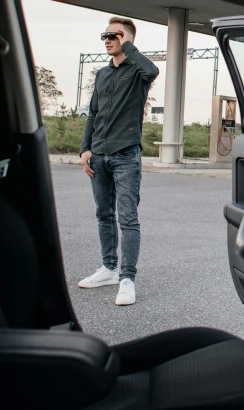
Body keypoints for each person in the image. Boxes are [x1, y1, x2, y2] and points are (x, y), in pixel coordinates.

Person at [77, 17, 159, 306]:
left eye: (114, 35)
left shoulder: (138, 72)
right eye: (105, 35)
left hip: (126, 155)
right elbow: (93, 114)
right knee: (103, 214)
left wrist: (130, 47)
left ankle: (127, 279)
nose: (107, 39)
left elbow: (153, 69)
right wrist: (84, 150)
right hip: (98, 155)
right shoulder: (101, 74)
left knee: (128, 218)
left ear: (127, 39)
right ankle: (109, 269)